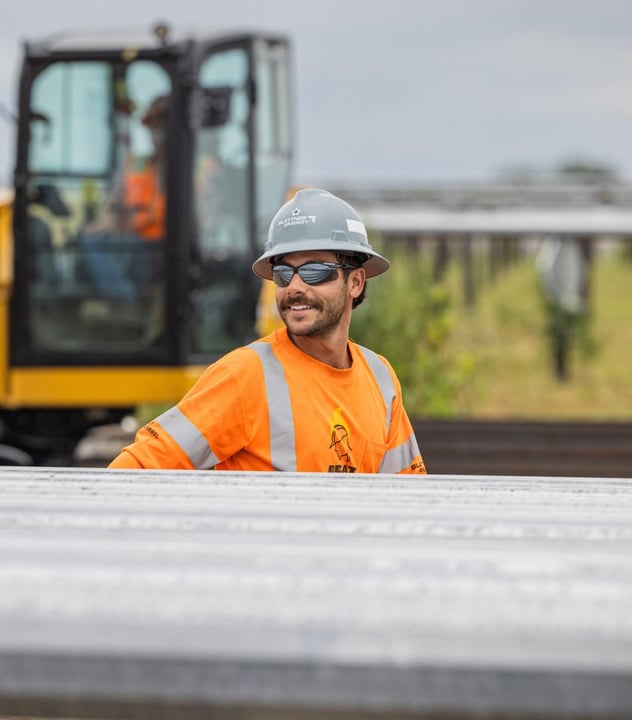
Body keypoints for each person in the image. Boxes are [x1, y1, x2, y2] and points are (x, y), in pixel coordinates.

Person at [109, 188, 426, 474]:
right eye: (284, 273)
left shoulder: (380, 379)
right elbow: (136, 467)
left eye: (315, 271)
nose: (295, 287)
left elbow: (407, 498)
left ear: (355, 282)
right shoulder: (245, 375)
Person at [79, 95, 167, 303]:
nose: (158, 136)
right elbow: (112, 201)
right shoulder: (137, 165)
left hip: (170, 250)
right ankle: (125, 302)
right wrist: (107, 220)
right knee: (93, 239)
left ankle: (126, 302)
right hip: (138, 246)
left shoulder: (198, 168)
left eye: (163, 128)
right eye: (154, 129)